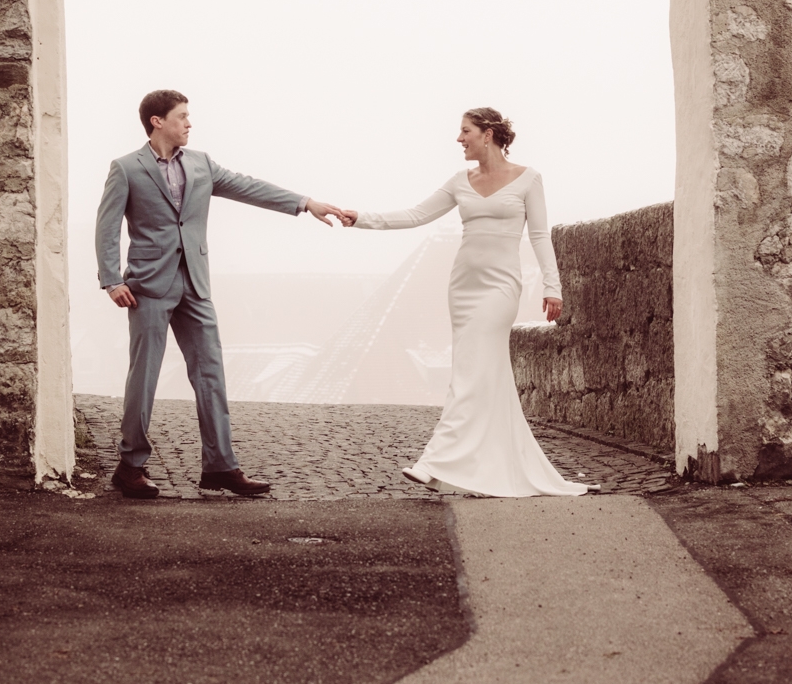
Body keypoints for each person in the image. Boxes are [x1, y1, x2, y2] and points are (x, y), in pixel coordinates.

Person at [96, 90, 345, 500]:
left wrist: (305, 203)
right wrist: (111, 280)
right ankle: (130, 466)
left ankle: (221, 466)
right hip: (148, 287)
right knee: (145, 375)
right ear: (157, 121)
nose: (189, 123)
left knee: (210, 373)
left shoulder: (201, 163)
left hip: (195, 284)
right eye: (182, 116)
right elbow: (107, 227)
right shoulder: (126, 168)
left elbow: (249, 187)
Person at [341, 108, 590, 497]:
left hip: (500, 288)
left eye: (465, 131)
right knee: (479, 373)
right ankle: (483, 467)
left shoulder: (528, 179)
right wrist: (360, 218)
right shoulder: (460, 181)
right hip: (464, 287)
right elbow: (416, 215)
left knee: (469, 375)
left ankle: (434, 463)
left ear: (487, 134)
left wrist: (551, 286)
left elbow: (540, 235)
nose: (459, 139)